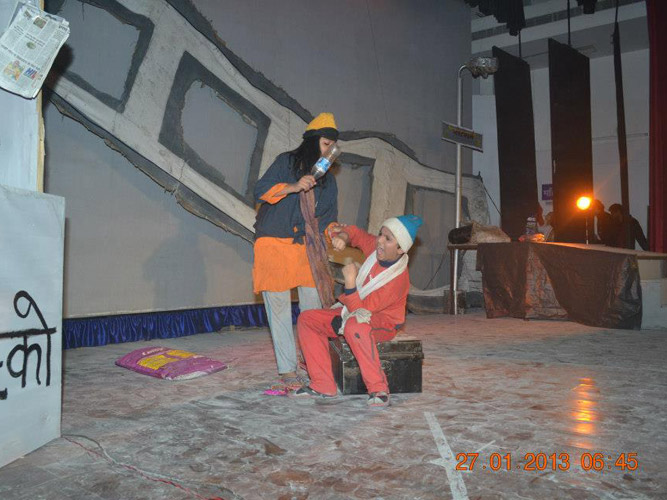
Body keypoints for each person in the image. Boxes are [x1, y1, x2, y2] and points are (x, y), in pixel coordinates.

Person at [291, 214, 423, 408]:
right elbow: (357, 234)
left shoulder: (397, 280)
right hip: (352, 310)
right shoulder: (376, 250)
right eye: (381, 234)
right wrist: (343, 237)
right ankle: (323, 384)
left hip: (383, 323)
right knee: (307, 319)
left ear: (400, 249)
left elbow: (361, 311)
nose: (379, 240)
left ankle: (378, 389)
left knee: (355, 327)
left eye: (388, 239)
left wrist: (350, 284)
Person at [253, 112, 340, 390]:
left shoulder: (329, 181)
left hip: (306, 249)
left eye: (333, 147)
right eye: (325, 144)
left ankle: (312, 362)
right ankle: (288, 369)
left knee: (312, 311)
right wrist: (293, 186)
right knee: (279, 309)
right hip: (274, 244)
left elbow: (328, 219)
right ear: (313, 141)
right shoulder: (286, 162)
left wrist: (335, 234)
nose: (329, 152)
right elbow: (260, 190)